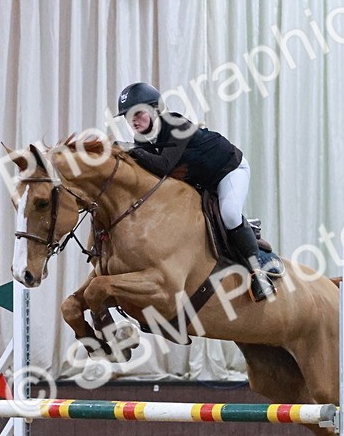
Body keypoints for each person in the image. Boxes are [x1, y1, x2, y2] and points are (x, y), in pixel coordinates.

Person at [116, 82, 280, 302]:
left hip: (228, 170)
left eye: (138, 113)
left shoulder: (175, 124)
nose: (133, 121)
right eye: (128, 116)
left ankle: (258, 273)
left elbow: (164, 165)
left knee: (230, 214)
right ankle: (243, 230)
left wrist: (130, 150)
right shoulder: (142, 140)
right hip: (201, 180)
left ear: (154, 109)